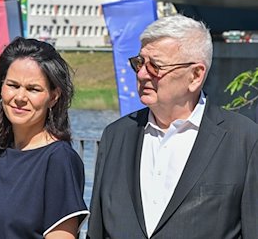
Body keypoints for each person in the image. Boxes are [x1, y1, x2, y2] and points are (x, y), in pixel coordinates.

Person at [87, 14, 258, 238]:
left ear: (195, 75)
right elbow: (97, 230)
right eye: (139, 63)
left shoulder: (243, 139)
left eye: (155, 66)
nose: (141, 74)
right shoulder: (116, 136)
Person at [0, 37, 89, 239]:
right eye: (13, 85)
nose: (20, 97)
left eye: (33, 89)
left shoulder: (59, 159)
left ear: (54, 96)